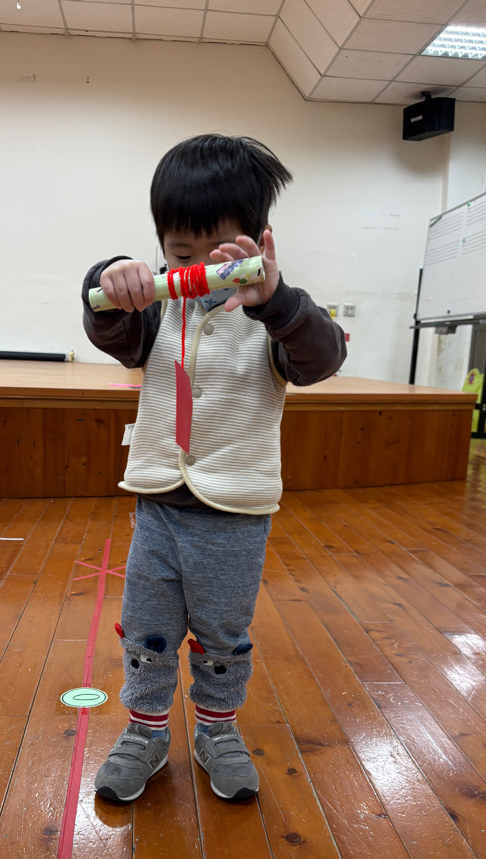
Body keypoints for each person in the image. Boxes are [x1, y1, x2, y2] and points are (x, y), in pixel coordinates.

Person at [81, 133, 346, 803]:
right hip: (158, 508)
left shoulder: (278, 316)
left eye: (218, 253)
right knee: (147, 630)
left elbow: (322, 358)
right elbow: (107, 326)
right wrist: (108, 277)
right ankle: (144, 730)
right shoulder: (157, 310)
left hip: (234, 517)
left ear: (258, 240)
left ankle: (217, 729)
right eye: (180, 255)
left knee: (223, 635)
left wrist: (276, 300)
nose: (198, 271)